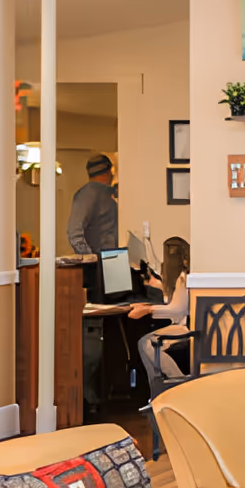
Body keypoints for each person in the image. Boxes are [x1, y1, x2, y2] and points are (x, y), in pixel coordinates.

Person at [131, 236, 190, 383]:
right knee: (143, 343)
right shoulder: (182, 278)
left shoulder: (184, 278)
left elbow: (178, 309)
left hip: (186, 327)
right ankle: (156, 387)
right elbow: (176, 301)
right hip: (182, 324)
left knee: (148, 344)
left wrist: (150, 310)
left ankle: (177, 381)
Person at [66, 154, 120, 255]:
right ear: (108, 172)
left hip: (109, 261)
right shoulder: (88, 195)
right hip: (99, 265)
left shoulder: (107, 194)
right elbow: (74, 232)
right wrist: (90, 259)